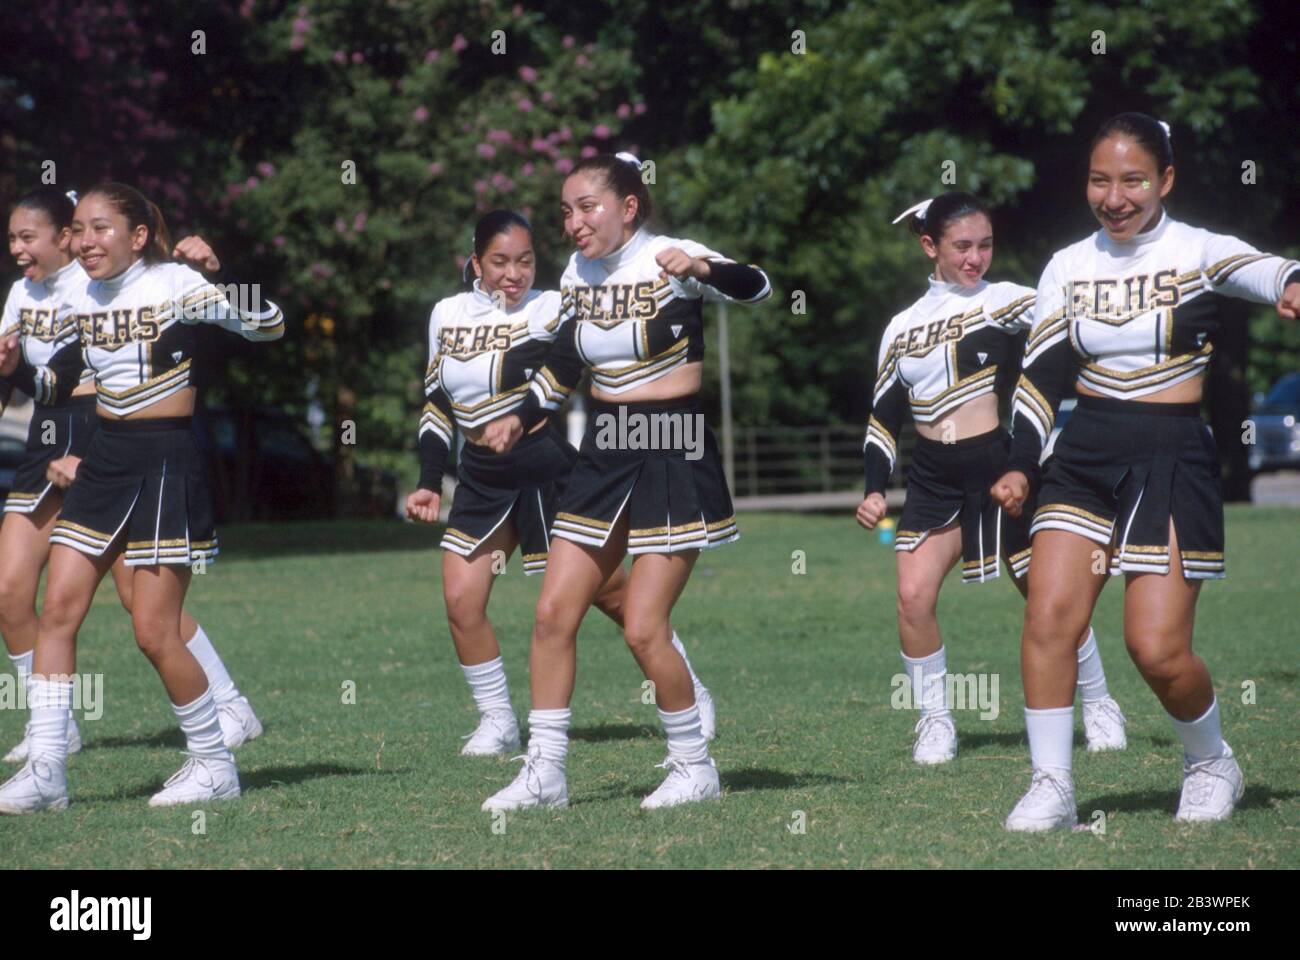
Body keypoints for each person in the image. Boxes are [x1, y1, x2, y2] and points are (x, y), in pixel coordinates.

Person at [991, 113, 1300, 829]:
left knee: (1156, 650)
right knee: (1048, 619)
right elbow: (1040, 375)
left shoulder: (1197, 250)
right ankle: (1052, 786)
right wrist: (1019, 464)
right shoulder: (1068, 265)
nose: (1115, 196)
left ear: (1165, 179)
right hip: (1084, 455)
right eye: (1101, 180)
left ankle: (1212, 760)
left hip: (1172, 452)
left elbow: (1261, 268)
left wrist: (1288, 281)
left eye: (1133, 180)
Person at [478, 153, 771, 811]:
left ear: (629, 206)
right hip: (605, 445)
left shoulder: (672, 255)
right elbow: (562, 367)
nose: (573, 222)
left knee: (643, 626)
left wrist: (700, 270)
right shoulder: (576, 274)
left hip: (674, 441)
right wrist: (520, 418)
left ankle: (695, 767)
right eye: (565, 210)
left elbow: (757, 285)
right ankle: (545, 773)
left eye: (587, 206)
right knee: (554, 612)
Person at [0, 182, 283, 814]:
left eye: (100, 228)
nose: (85, 241)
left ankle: (214, 763)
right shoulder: (84, 298)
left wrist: (219, 273)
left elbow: (269, 326)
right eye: (77, 229)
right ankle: (47, 770)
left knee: (154, 633)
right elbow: (53, 388)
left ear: (136, 236)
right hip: (103, 461)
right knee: (57, 612)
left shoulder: (175, 284)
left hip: (164, 462)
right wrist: (13, 366)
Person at [405, 209, 715, 756]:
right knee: (460, 599)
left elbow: (584, 359)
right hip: (480, 475)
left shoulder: (554, 305)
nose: (513, 273)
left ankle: (689, 685)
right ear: (475, 262)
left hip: (545, 466)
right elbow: (436, 405)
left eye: (525, 261)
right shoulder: (445, 315)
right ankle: (498, 721)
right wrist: (431, 480)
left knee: (615, 600)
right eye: (499, 261)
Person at [857, 192, 1125, 765]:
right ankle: (935, 721)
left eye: (985, 245)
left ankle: (1100, 702)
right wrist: (875, 487)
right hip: (931, 479)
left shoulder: (1003, 302)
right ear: (930, 246)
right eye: (961, 246)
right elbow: (883, 417)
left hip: (1001, 470)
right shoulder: (899, 328)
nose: (975, 257)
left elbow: (1067, 321)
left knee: (1047, 598)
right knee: (911, 596)